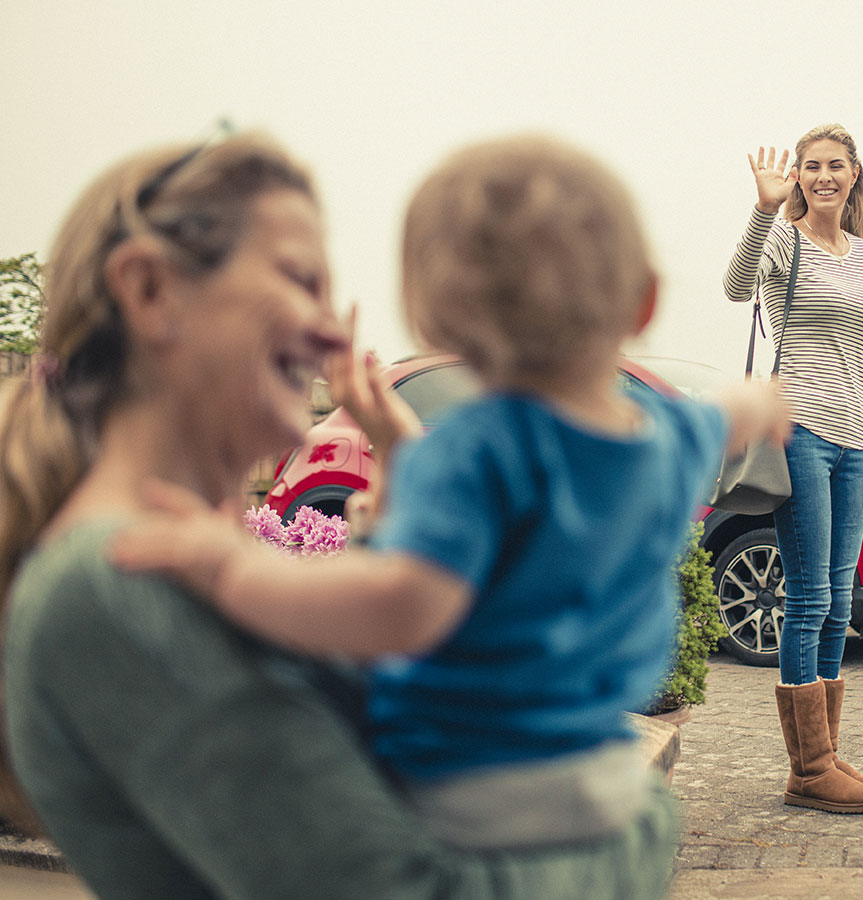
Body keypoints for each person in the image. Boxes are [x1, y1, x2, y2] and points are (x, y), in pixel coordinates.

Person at [0, 132, 705, 899]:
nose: (338, 334)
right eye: (301, 281)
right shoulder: (111, 584)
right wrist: (642, 823)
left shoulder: (162, 562)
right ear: (150, 292)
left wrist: (407, 501)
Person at [721, 123, 863, 815]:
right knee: (809, 600)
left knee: (840, 600)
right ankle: (809, 768)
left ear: (855, 174)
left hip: (852, 441)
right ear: (798, 175)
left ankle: (822, 752)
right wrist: (764, 208)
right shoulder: (783, 239)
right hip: (798, 432)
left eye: (835, 165)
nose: (823, 175)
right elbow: (737, 289)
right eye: (810, 166)